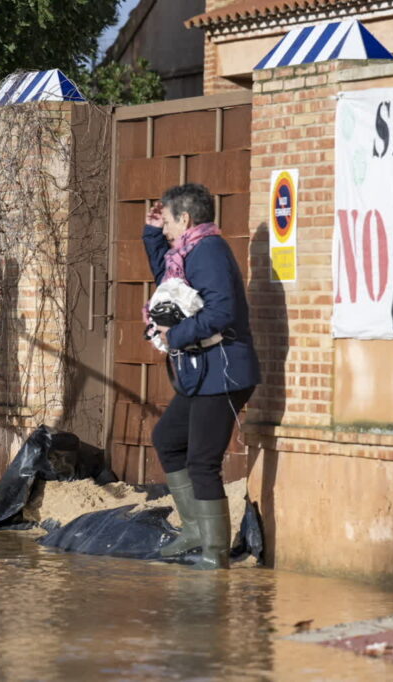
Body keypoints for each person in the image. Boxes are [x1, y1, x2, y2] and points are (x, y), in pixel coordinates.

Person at [144, 183, 261, 570]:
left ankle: (214, 553)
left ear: (186, 219)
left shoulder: (208, 252)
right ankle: (195, 530)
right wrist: (150, 231)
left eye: (168, 221)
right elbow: (168, 277)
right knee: (167, 438)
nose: (165, 229)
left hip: (225, 371)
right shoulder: (188, 250)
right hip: (203, 373)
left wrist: (175, 335)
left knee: (203, 461)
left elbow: (221, 311)